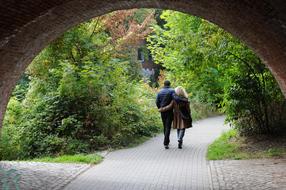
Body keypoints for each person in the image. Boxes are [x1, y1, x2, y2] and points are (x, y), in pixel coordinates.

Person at [156, 80, 175, 149]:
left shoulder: (160, 91)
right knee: (168, 127)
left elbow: (157, 101)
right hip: (169, 111)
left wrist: (160, 108)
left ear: (164, 84)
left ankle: (167, 141)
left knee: (165, 126)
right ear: (169, 84)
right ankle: (166, 142)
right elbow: (175, 100)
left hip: (162, 111)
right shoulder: (172, 91)